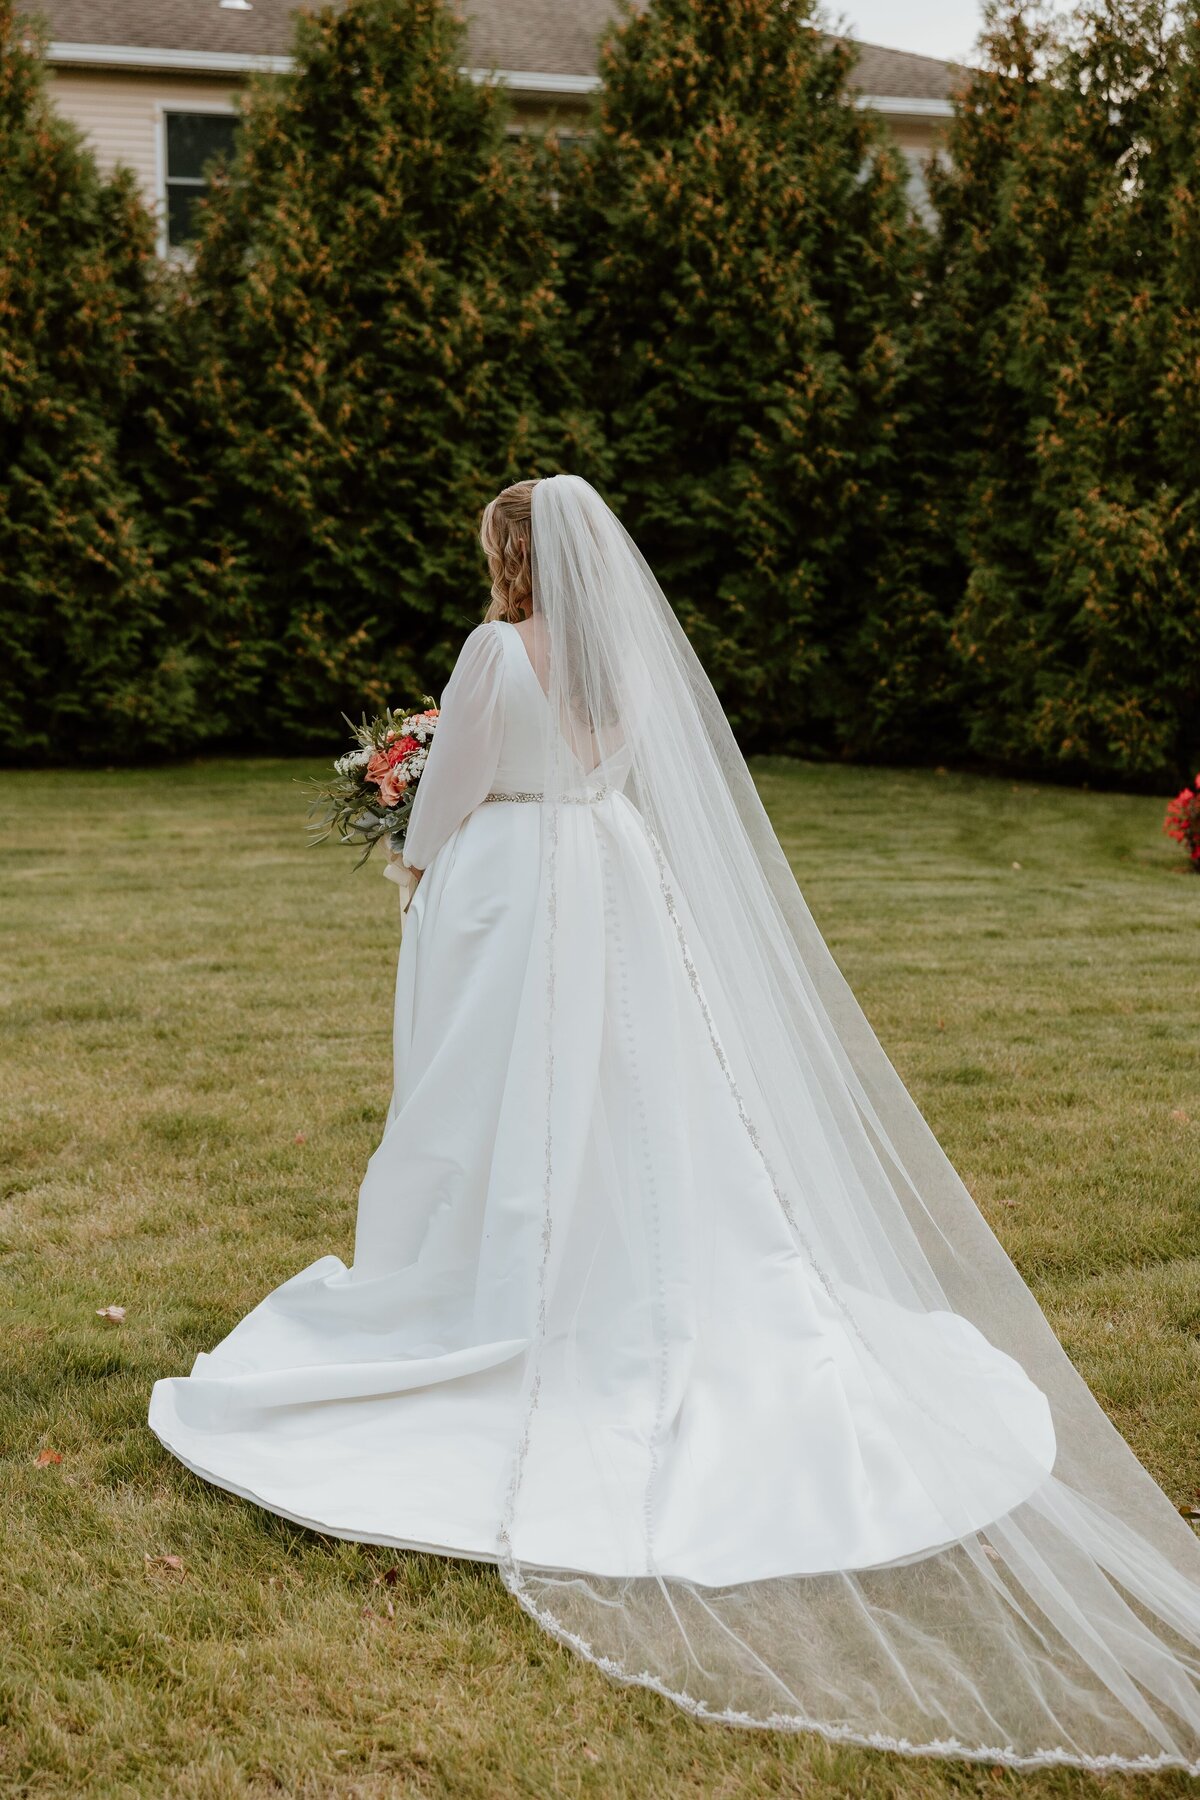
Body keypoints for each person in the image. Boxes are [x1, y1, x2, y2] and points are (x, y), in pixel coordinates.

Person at [151, 475, 1200, 1772]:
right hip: (614, 871)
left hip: (513, 888)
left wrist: (416, 861)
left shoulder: (493, 650)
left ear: (512, 561)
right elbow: (619, 770)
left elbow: (461, 780)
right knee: (636, 1092)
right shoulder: (627, 663)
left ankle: (486, 1278)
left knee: (492, 1092)